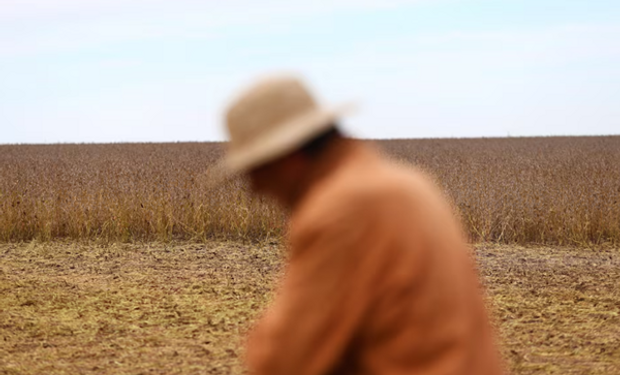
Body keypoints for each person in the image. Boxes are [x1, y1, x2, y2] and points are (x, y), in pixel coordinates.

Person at [218, 74, 505, 375]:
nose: (254, 187)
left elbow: (283, 361)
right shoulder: (409, 183)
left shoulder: (342, 210)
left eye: (256, 169)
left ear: (290, 155)